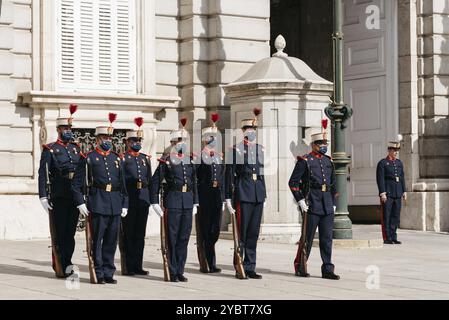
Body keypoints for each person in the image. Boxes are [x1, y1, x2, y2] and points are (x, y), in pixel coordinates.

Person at [72, 113, 128, 284]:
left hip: (115, 203)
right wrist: (80, 202)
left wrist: (125, 203)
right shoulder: (88, 158)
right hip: (97, 202)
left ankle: (109, 271)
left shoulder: (116, 159)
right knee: (97, 240)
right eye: (104, 138)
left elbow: (123, 185)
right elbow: (76, 184)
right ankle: (98, 271)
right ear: (97, 140)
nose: (107, 141)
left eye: (109, 138)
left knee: (112, 240)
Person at [288, 119, 340, 280]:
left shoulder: (327, 160)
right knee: (307, 237)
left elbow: (333, 184)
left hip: (326, 203)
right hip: (311, 202)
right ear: (313, 145)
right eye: (320, 144)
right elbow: (293, 183)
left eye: (325, 143)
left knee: (326, 239)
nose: (324, 146)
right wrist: (300, 201)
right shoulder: (305, 161)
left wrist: (334, 203)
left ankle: (327, 269)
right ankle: (301, 265)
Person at [150, 118, 199, 282]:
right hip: (173, 200)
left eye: (184, 140)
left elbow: (194, 183)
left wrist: (195, 202)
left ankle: (179, 270)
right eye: (180, 140)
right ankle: (171, 270)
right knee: (172, 237)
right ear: (173, 142)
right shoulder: (167, 160)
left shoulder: (189, 160)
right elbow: (155, 181)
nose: (183, 143)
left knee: (184, 238)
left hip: (187, 201)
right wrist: (154, 201)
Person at [38, 104, 83, 277]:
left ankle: (68, 262)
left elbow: (81, 172)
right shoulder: (50, 149)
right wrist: (43, 196)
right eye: (65, 128)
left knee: (70, 233)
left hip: (73, 195)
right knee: (59, 232)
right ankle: (60, 264)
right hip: (59, 195)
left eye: (70, 128)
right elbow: (43, 173)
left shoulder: (75, 148)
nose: (68, 131)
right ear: (58, 130)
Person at [225, 108, 266, 280]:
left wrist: (265, 194)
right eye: (248, 129)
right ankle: (239, 265)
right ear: (243, 131)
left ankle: (250, 266)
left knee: (253, 233)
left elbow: (262, 173)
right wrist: (228, 197)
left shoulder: (260, 149)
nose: (251, 132)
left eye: (253, 129)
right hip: (243, 192)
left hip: (257, 194)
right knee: (242, 232)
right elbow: (229, 174)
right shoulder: (236, 150)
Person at [121, 117, 152, 275]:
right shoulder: (123, 159)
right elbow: (122, 182)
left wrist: (153, 201)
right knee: (129, 234)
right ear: (127, 142)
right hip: (130, 198)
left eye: (138, 140)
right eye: (133, 140)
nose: (137, 143)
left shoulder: (144, 159)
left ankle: (138, 265)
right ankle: (128, 266)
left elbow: (150, 180)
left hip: (143, 199)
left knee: (140, 234)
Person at [195, 113, 225, 273]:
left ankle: (210, 259)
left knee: (215, 230)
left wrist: (225, 197)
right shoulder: (199, 157)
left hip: (216, 196)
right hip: (204, 195)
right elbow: (195, 178)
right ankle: (205, 262)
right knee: (205, 229)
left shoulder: (219, 157)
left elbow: (224, 177)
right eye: (211, 137)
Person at [376, 137, 406, 245]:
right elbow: (380, 179)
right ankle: (387, 237)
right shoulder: (383, 163)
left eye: (397, 151)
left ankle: (394, 236)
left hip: (397, 193)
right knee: (387, 216)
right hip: (388, 193)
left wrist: (404, 191)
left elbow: (402, 177)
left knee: (395, 216)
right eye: (394, 150)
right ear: (389, 150)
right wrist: (382, 192)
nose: (396, 153)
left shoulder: (399, 163)